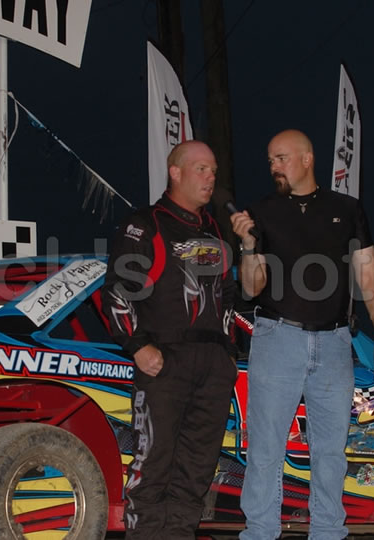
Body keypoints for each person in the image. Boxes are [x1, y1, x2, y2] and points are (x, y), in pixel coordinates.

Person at [230, 129, 374, 540]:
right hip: (277, 338)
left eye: (281, 158)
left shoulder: (347, 209)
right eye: (270, 160)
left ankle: (328, 532)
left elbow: (368, 274)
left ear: (307, 159)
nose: (274, 167)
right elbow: (251, 288)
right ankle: (260, 532)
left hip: (335, 343)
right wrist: (248, 246)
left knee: (330, 451)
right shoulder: (261, 212)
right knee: (266, 447)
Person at [101, 140, 238, 539]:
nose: (210, 178)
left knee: (197, 470)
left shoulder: (214, 229)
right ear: (175, 172)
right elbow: (118, 291)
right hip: (165, 361)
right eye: (201, 169)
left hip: (213, 366)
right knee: (154, 464)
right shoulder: (145, 223)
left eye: (213, 171)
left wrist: (228, 354)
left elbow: (228, 297)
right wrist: (137, 346)